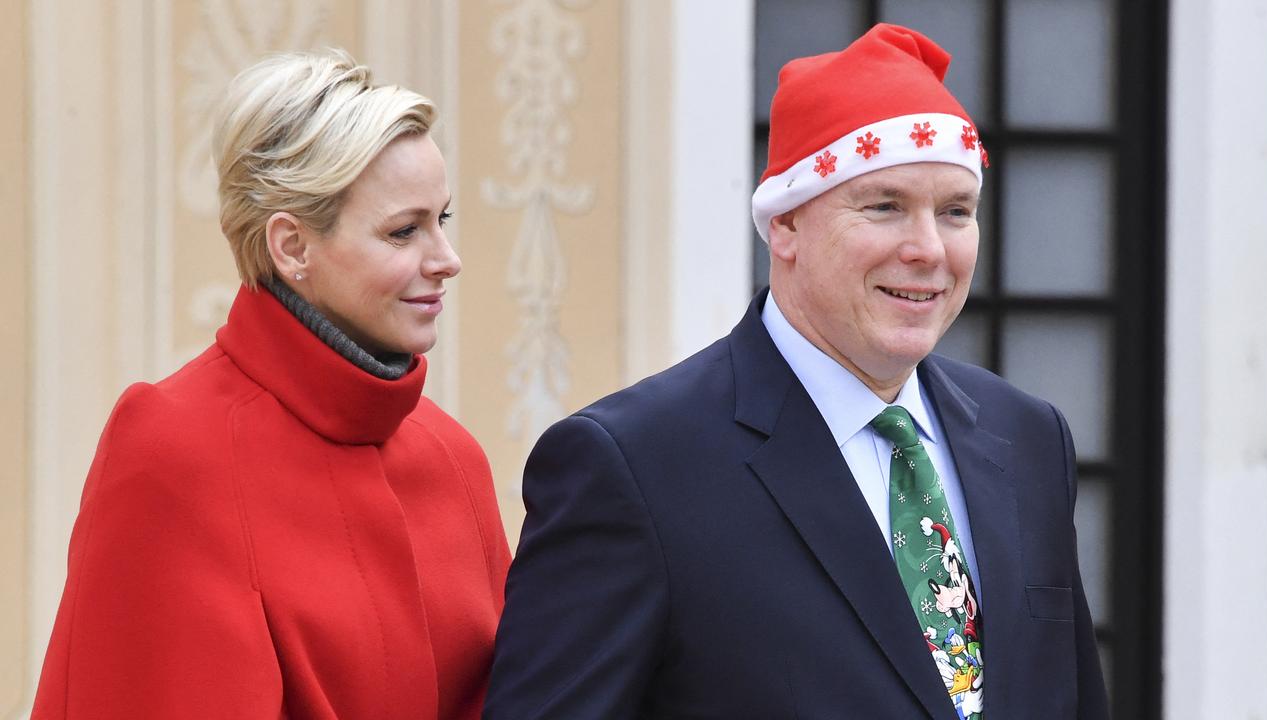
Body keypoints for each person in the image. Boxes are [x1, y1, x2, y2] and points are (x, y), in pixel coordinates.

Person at [485, 24, 1108, 720]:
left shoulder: (1028, 439)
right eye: (885, 206)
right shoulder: (632, 467)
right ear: (783, 225)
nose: (929, 249)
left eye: (956, 212)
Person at [32, 49, 509, 719]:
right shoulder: (169, 450)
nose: (447, 260)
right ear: (291, 248)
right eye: (405, 230)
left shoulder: (454, 459)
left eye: (443, 220)